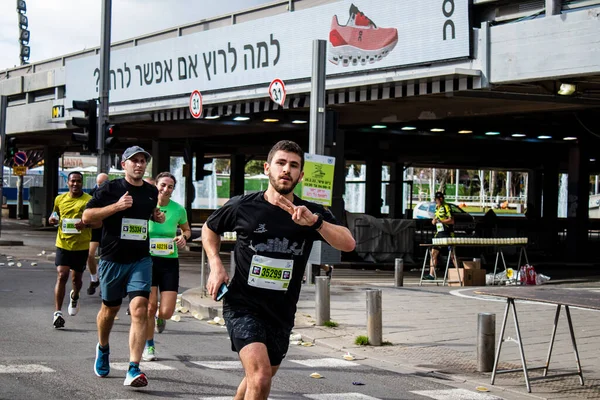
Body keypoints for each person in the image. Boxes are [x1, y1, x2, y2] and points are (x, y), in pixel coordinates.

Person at [203, 140, 355, 400]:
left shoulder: (311, 213)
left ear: (301, 175)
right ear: (267, 168)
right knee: (260, 375)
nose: (287, 169)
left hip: (281, 311)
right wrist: (215, 264)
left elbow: (348, 244)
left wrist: (316, 223)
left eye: (293, 165)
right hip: (243, 304)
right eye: (281, 163)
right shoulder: (244, 206)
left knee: (260, 377)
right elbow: (210, 228)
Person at [82, 146, 165, 387]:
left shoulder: (151, 191)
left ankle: (133, 368)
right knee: (110, 310)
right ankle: (103, 347)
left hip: (141, 258)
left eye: (142, 161)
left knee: (140, 308)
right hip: (112, 259)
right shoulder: (110, 188)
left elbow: (149, 212)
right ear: (123, 164)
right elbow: (88, 217)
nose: (139, 165)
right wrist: (116, 207)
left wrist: (155, 216)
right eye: (134, 161)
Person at [143, 172, 191, 361]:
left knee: (167, 311)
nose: (166, 189)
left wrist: (183, 237)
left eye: (170, 186)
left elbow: (186, 229)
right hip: (148, 261)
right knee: (150, 306)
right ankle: (149, 345)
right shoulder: (146, 207)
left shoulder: (178, 210)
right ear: (156, 185)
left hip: (169, 261)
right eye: (162, 185)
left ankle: (160, 318)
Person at [49, 171, 98, 329]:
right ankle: (57, 313)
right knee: (62, 275)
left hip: (81, 246)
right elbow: (55, 214)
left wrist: (86, 224)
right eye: (72, 181)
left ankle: (75, 296)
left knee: (76, 279)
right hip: (63, 244)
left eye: (78, 181)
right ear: (67, 183)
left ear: (82, 183)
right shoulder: (60, 199)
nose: (75, 184)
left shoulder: (89, 201)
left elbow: (99, 223)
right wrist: (52, 219)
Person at [424, 191, 458, 280]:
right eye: (436, 200)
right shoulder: (437, 207)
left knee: (452, 255)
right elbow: (435, 218)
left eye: (438, 199)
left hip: (448, 233)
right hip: (439, 233)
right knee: (433, 253)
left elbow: (452, 220)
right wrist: (434, 221)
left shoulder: (447, 207)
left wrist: (441, 221)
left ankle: (460, 272)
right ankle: (431, 274)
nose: (437, 201)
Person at [86, 172, 109, 295]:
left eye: (103, 184)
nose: (100, 187)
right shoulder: (91, 194)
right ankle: (94, 279)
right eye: (98, 184)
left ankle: (104, 284)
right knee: (90, 254)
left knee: (106, 258)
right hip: (95, 228)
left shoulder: (112, 193)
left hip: (108, 228)